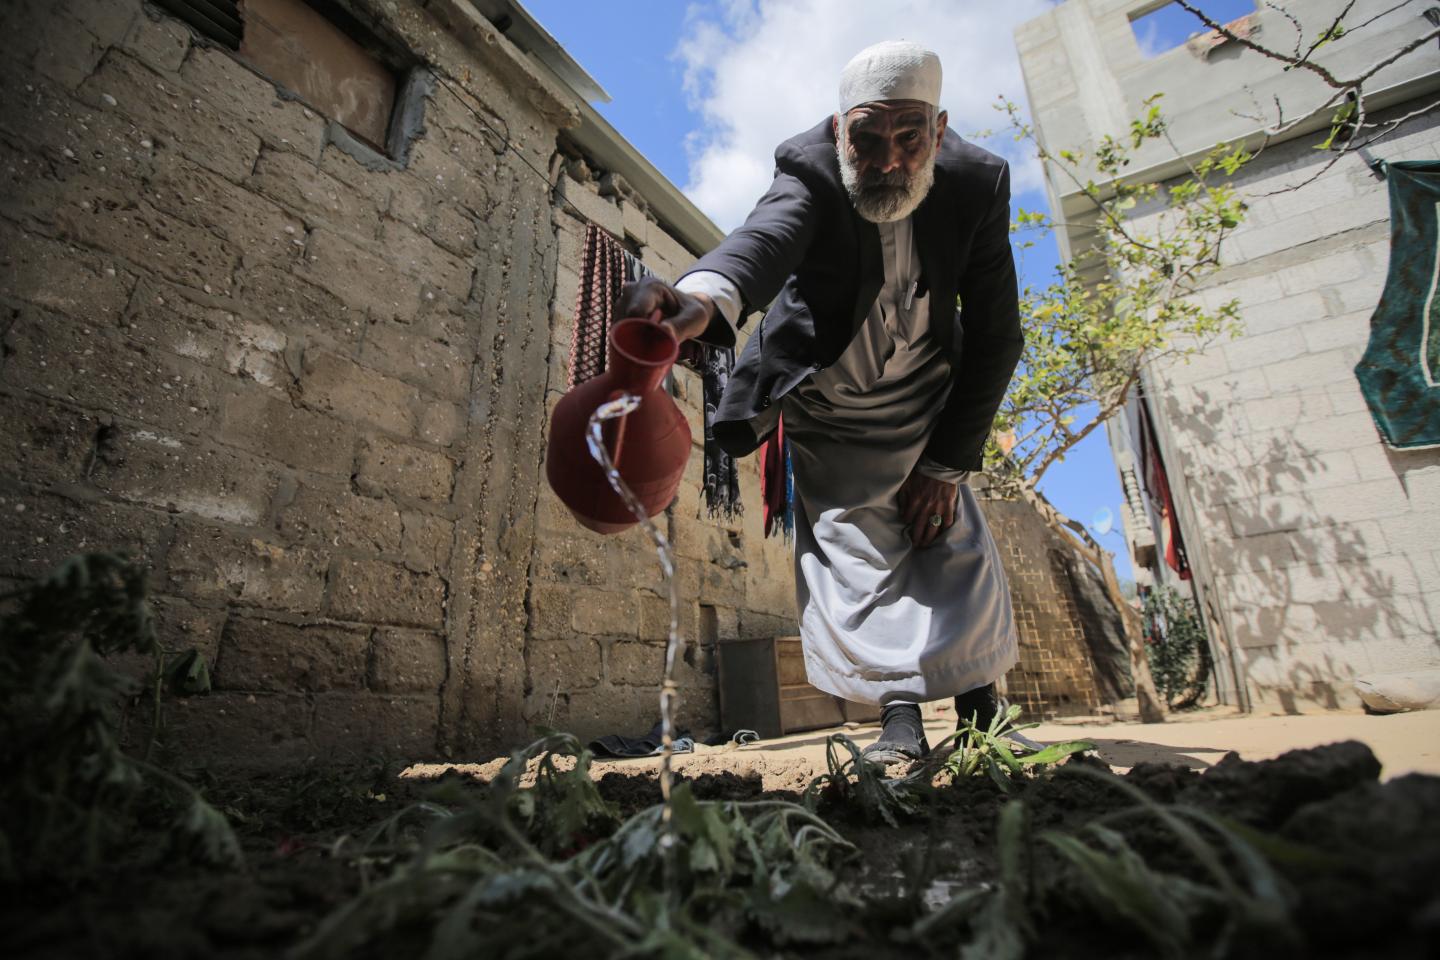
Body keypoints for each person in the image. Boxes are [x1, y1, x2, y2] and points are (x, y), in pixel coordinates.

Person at [618, 40, 1023, 763]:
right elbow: (761, 244)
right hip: (830, 402)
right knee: (857, 553)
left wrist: (947, 463)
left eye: (910, 138)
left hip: (927, 393)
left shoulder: (977, 183)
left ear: (940, 128)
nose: (890, 160)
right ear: (841, 133)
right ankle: (900, 723)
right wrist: (696, 298)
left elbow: (997, 333)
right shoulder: (810, 169)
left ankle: (981, 711)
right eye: (868, 139)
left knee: (949, 540)